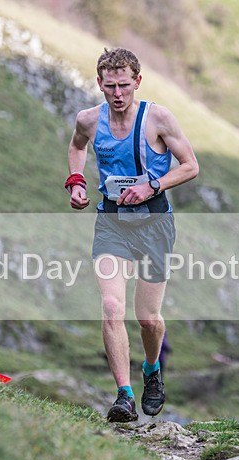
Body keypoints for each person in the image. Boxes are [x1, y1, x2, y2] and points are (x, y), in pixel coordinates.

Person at [65, 48, 198, 422]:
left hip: (155, 224)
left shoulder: (157, 118)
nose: (118, 94)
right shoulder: (89, 120)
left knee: (148, 319)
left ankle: (152, 370)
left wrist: (152, 186)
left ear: (137, 82)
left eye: (124, 85)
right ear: (100, 84)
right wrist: (75, 182)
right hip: (112, 222)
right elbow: (77, 147)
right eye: (110, 87)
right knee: (110, 307)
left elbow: (190, 166)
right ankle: (123, 395)